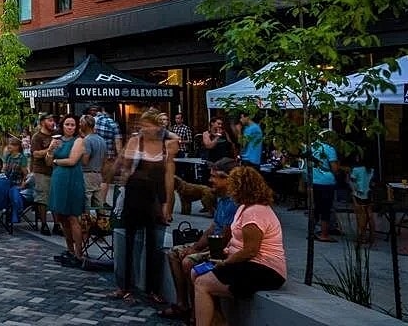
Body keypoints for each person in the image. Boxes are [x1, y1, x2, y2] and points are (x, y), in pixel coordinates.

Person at [192, 166, 286, 326]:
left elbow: (251, 250)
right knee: (196, 272)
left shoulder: (255, 212)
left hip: (263, 268)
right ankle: (217, 320)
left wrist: (226, 262)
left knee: (202, 283)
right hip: (245, 262)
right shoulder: (243, 207)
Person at [107, 108, 178, 305]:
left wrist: (167, 204)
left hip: (154, 196)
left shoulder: (167, 145)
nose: (145, 129)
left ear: (158, 127)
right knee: (129, 242)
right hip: (134, 194)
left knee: (154, 245)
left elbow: (169, 177)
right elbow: (125, 165)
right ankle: (125, 286)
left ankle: (153, 289)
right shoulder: (135, 142)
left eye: (149, 125)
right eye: (143, 126)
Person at [160, 158, 240, 320]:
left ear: (228, 179)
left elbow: (225, 237)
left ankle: (197, 313)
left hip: (222, 249)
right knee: (174, 253)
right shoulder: (221, 198)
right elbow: (212, 227)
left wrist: (198, 251)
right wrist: (195, 246)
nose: (210, 180)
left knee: (189, 261)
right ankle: (182, 304)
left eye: (215, 177)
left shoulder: (233, 203)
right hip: (213, 242)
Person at [44, 114, 87, 266]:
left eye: (72, 125)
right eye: (67, 124)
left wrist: (56, 160)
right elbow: (48, 161)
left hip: (72, 180)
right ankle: (69, 249)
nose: (69, 127)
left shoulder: (79, 140)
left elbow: (72, 161)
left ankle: (79, 254)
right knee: (61, 217)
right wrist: (50, 150)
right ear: (62, 126)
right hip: (58, 180)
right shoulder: (58, 140)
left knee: (73, 217)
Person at [30, 113, 60, 236]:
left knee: (55, 198)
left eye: (53, 120)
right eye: (50, 120)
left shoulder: (56, 135)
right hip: (41, 171)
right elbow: (35, 154)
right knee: (42, 198)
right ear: (42, 122)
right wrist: (49, 149)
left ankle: (57, 224)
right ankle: (44, 224)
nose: (52, 123)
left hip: (55, 170)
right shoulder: (37, 137)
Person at [309, 131, 340, 243]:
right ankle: (324, 234)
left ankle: (311, 232)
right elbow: (335, 169)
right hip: (326, 182)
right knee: (325, 208)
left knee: (315, 207)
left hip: (313, 180)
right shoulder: (329, 149)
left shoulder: (312, 146)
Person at [80, 114, 108, 210]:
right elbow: (105, 159)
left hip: (87, 174)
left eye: (81, 123)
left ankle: (86, 223)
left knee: (86, 202)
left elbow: (85, 160)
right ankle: (101, 222)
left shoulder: (87, 140)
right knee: (98, 202)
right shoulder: (102, 140)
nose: (79, 125)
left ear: (85, 125)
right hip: (98, 174)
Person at [347, 151, 374, 244]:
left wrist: (352, 192)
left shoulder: (356, 170)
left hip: (359, 194)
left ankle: (362, 236)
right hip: (369, 193)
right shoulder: (371, 170)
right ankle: (372, 236)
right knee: (369, 215)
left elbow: (352, 182)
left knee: (360, 216)